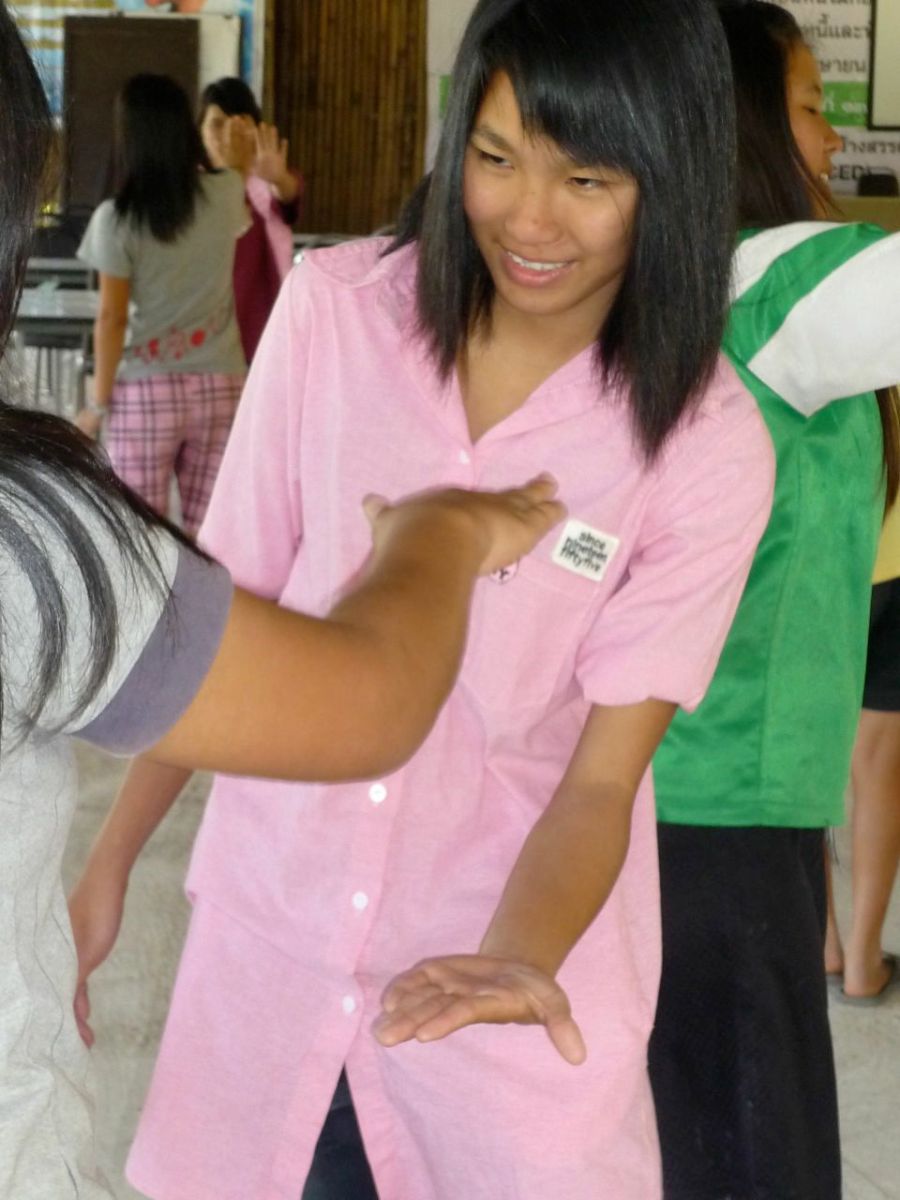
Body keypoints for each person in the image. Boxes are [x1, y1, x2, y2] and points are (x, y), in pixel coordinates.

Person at [70, 0, 776, 1197]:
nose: (529, 220)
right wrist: (110, 861)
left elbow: (600, 781)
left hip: (495, 993)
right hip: (276, 952)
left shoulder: (703, 442)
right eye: (495, 158)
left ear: (675, 178)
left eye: (587, 180)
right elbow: (223, 622)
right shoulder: (339, 316)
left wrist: (516, 959)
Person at [0, 10, 566, 1199]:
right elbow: (340, 688)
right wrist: (444, 533)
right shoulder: (38, 533)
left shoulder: (136, 231)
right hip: (216, 394)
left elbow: (205, 618)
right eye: (498, 157)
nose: (536, 215)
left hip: (151, 398)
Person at [642, 3, 900, 1198]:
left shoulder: (691, 279)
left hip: (693, 787)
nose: (834, 138)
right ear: (737, 118)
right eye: (808, 105)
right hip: (722, 813)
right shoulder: (778, 279)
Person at [75, 73, 248, 536]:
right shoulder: (227, 193)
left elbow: (112, 318)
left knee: (139, 535)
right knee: (212, 535)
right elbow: (236, 176)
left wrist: (96, 405)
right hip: (222, 385)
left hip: (146, 389)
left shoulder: (116, 219)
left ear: (128, 137)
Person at [825, 493, 900, 1004]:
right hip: (894, 551)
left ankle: (822, 945)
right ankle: (863, 963)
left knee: (807, 752)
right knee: (879, 759)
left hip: (812, 550)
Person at [198, 76, 303, 362]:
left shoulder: (266, 181)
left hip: (261, 329)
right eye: (217, 124)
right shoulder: (190, 188)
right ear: (200, 131)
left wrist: (278, 178)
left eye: (239, 123)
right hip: (204, 332)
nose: (229, 135)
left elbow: (289, 196)